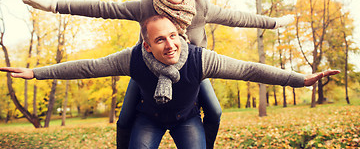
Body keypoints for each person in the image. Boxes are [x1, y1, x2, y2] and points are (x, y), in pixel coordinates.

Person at [22, 0, 295, 149]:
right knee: (127, 117)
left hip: (192, 71)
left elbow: (239, 18)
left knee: (214, 110)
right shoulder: (145, 7)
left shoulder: (201, 7)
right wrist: (54, 6)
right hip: (150, 71)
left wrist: (274, 23)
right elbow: (103, 8)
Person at [0, 15, 340, 149]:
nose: (171, 44)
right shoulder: (132, 58)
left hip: (187, 119)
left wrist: (299, 80)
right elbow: (89, 67)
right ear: (146, 44)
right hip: (150, 118)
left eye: (174, 36)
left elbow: (251, 69)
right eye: (160, 40)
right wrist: (37, 72)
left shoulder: (199, 58)